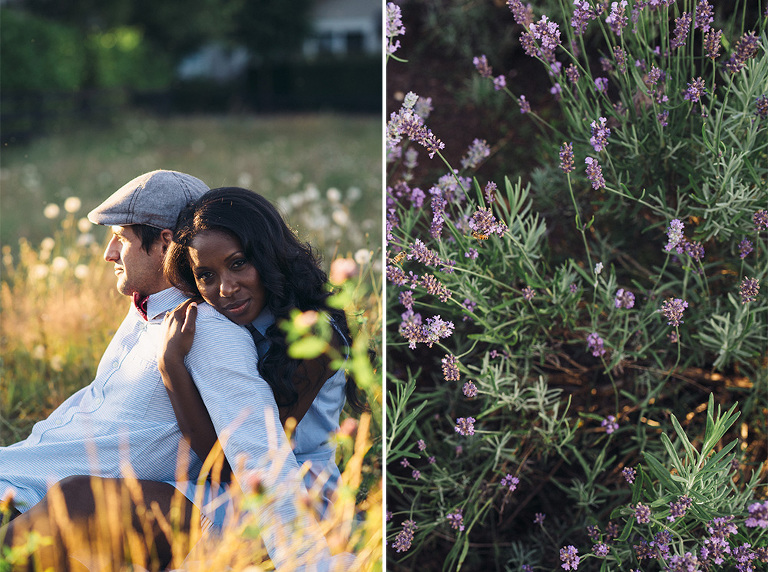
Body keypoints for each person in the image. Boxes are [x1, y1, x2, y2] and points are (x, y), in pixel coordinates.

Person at [0, 169, 211, 568]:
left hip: (37, 497)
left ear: (165, 242)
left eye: (120, 239)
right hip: (18, 470)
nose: (108, 254)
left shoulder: (197, 331)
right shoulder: (145, 307)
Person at [158, 186, 365, 568]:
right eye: (206, 275)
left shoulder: (317, 336)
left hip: (296, 493)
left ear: (269, 254)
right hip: (236, 487)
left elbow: (230, 461)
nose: (225, 288)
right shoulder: (228, 325)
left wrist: (172, 368)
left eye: (238, 263)